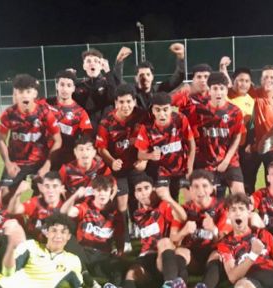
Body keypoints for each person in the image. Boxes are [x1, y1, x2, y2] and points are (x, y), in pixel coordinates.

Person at [120, 176, 189, 288]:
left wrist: (168, 198)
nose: (143, 192)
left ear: (153, 190)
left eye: (146, 188)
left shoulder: (163, 206)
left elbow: (183, 216)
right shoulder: (138, 215)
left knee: (164, 242)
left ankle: (170, 285)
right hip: (146, 256)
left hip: (163, 257)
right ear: (135, 194)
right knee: (132, 273)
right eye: (139, 190)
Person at [168, 170, 231, 288]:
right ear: (190, 190)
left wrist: (213, 229)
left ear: (212, 189)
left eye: (204, 186)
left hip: (213, 253)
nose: (200, 190)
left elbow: (226, 239)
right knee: (179, 252)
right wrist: (184, 231)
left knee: (219, 254)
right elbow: (173, 240)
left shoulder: (222, 207)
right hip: (193, 257)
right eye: (195, 186)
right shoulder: (184, 210)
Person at [96, 84, 148, 251]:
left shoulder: (142, 116)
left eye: (128, 101)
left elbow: (152, 137)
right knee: (121, 204)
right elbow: (101, 147)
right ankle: (124, 239)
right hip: (118, 169)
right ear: (115, 103)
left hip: (136, 166)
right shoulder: (107, 121)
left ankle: (142, 231)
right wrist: (111, 161)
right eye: (121, 102)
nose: (125, 105)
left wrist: (145, 159)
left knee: (142, 199)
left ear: (134, 101)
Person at [0, 74, 62, 199]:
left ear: (35, 93)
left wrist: (47, 165)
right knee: (4, 195)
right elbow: (0, 139)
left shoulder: (44, 112)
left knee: (45, 195)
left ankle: (36, 216)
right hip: (16, 162)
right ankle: (11, 218)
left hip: (40, 162)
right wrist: (8, 163)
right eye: (21, 92)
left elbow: (58, 140)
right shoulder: (8, 114)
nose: (25, 95)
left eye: (28, 91)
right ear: (16, 94)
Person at [61, 175, 126, 288]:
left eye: (105, 190)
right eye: (99, 190)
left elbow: (120, 238)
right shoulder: (85, 207)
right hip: (84, 254)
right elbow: (64, 212)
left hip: (102, 256)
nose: (102, 194)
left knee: (119, 266)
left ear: (110, 192)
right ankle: (88, 280)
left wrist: (119, 252)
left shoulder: (116, 214)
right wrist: (75, 196)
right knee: (67, 238)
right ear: (94, 191)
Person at [189, 72, 246, 199]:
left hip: (230, 161)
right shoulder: (199, 111)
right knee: (210, 201)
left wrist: (226, 161)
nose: (218, 92)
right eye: (215, 88)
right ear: (209, 90)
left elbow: (237, 137)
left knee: (240, 197)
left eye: (222, 88)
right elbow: (192, 137)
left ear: (227, 90)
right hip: (207, 163)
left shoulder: (235, 111)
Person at [135, 92, 195, 200]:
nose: (162, 114)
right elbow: (140, 154)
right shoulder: (147, 128)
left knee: (185, 201)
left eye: (165, 109)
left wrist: (189, 167)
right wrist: (151, 156)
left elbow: (191, 143)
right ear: (152, 110)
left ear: (171, 109)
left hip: (181, 169)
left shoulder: (180, 119)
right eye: (157, 110)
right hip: (160, 172)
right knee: (164, 202)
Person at [243, 65, 273, 194]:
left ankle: (271, 211)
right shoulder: (253, 93)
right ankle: (248, 211)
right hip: (252, 147)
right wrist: (223, 69)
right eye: (265, 77)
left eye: (272, 77)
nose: (268, 80)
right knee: (248, 181)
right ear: (261, 80)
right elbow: (235, 88)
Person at [46, 70, 93, 169]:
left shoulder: (80, 112)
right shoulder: (45, 104)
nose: (65, 89)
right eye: (62, 84)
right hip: (45, 157)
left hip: (67, 160)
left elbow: (87, 137)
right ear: (56, 86)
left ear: (73, 88)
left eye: (68, 85)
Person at [117, 43, 186, 111]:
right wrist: (119, 61)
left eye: (148, 74)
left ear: (152, 77)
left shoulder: (158, 89)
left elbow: (177, 78)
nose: (145, 78)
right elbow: (118, 81)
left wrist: (181, 57)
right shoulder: (132, 91)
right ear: (136, 78)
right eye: (141, 75)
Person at [73, 47, 125, 130]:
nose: (92, 63)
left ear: (101, 65)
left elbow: (114, 98)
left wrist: (107, 71)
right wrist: (70, 78)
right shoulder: (79, 86)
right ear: (84, 66)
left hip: (106, 128)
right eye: (88, 61)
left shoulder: (108, 82)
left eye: (96, 61)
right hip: (85, 130)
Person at [59, 134, 112, 199]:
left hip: (95, 203)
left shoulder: (101, 166)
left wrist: (108, 197)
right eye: (81, 149)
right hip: (74, 204)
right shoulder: (66, 169)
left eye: (88, 149)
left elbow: (112, 184)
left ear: (94, 152)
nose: (84, 153)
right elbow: (58, 188)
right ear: (75, 152)